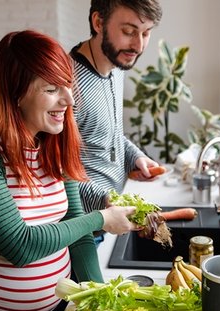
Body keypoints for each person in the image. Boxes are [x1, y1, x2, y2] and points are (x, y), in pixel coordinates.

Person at [0, 30, 138, 311]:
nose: (69, 100)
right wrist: (101, 219)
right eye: (51, 89)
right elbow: (20, 246)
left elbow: (75, 228)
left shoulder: (53, 139)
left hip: (50, 309)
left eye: (68, 85)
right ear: (15, 92)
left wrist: (102, 301)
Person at [70, 0, 164, 235]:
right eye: (129, 31)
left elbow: (108, 133)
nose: (138, 45)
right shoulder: (66, 85)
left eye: (146, 33)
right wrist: (106, 202)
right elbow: (55, 173)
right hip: (82, 231)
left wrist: (136, 157)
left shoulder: (116, 66)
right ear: (98, 22)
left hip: (110, 221)